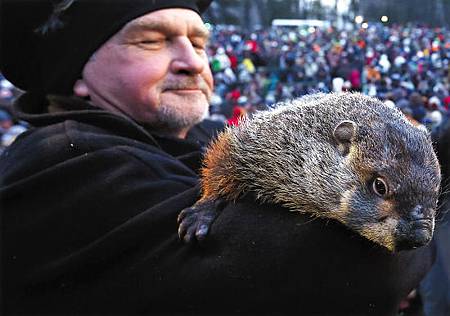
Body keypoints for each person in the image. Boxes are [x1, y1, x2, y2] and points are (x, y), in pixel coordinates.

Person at [0, 1, 436, 315]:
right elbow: (344, 272)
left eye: (199, 41)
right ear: (77, 73)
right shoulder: (61, 163)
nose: (192, 61)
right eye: (152, 41)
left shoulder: (201, 134)